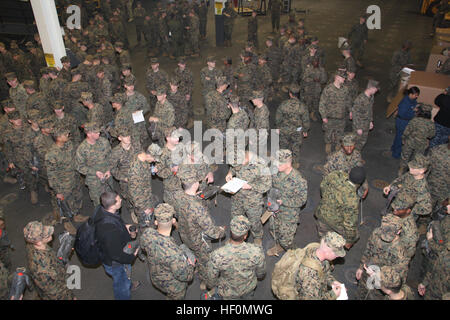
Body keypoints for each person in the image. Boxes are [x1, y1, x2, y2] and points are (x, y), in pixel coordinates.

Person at [173, 165, 226, 291]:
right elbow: (212, 232)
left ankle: (195, 265)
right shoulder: (198, 209)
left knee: (192, 251)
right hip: (199, 241)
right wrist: (221, 231)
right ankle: (207, 283)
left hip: (184, 234)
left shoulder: (177, 196)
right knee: (205, 262)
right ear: (196, 183)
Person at [140, 203, 195, 300]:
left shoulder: (147, 233)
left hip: (155, 276)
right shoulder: (174, 253)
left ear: (156, 222)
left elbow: (143, 247)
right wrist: (190, 265)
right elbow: (186, 276)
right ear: (173, 221)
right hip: (173, 286)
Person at [95, 192, 140, 300]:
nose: (121, 200)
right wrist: (132, 257)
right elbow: (116, 255)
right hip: (116, 263)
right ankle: (124, 291)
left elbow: (115, 223)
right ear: (112, 205)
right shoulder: (109, 231)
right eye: (119, 200)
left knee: (125, 279)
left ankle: (128, 284)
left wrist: (124, 227)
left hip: (117, 247)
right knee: (121, 285)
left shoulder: (103, 211)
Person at [207, 215, 266, 299]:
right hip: (248, 288)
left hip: (228, 291)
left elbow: (211, 278)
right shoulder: (256, 251)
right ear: (245, 235)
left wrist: (214, 286)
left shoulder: (217, 255)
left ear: (231, 232)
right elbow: (261, 273)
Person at [355, 214, 409, 300]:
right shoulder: (377, 233)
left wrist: (378, 279)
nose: (384, 238)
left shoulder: (400, 255)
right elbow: (368, 250)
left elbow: (397, 282)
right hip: (367, 275)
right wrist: (361, 267)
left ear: (398, 231)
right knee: (360, 295)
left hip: (381, 288)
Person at [226, 151, 272, 246]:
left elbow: (267, 185)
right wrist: (230, 173)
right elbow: (234, 168)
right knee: (235, 218)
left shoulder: (261, 165)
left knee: (254, 221)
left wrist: (251, 186)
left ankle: (257, 237)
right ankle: (237, 238)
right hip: (237, 195)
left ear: (246, 158)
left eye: (239, 165)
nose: (238, 167)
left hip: (253, 200)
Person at [267, 150, 308, 257]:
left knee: (286, 240)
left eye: (279, 164)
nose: (276, 165)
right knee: (273, 229)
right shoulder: (276, 172)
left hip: (289, 214)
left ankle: (295, 255)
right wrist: (272, 205)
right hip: (275, 209)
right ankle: (280, 246)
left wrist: (284, 201)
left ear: (288, 163)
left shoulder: (299, 180)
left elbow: (302, 200)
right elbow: (272, 188)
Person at [315, 167, 366, 250]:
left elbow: (322, 186)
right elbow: (349, 224)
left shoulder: (335, 175)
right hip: (335, 222)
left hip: (322, 213)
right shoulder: (352, 199)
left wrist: (327, 200)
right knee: (356, 235)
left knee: (322, 239)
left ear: (349, 173)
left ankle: (321, 249)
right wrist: (349, 240)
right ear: (361, 182)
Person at [24, 221, 76, 300]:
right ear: (38, 242)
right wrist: (70, 297)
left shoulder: (34, 245)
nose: (50, 233)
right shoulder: (43, 268)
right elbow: (55, 293)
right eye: (46, 235)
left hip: (57, 275)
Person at [295, 232, 346, 300]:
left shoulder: (317, 250)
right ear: (327, 252)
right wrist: (333, 294)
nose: (337, 256)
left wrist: (332, 282)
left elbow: (324, 272)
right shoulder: (310, 276)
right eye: (336, 253)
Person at [75, 121, 113, 207]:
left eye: (99, 131)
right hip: (94, 182)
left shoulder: (104, 142)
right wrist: (94, 172)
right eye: (96, 132)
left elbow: (111, 157)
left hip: (108, 178)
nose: (99, 133)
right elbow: (79, 166)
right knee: (99, 203)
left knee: (111, 201)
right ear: (89, 134)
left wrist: (109, 169)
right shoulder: (82, 149)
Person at [275, 84, 310, 168]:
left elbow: (278, 118)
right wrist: (305, 130)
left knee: (283, 146)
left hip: (284, 129)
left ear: (290, 94)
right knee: (296, 147)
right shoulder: (302, 106)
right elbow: (306, 120)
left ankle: (282, 162)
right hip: (297, 130)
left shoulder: (284, 104)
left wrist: (278, 127)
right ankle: (295, 163)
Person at [319, 69, 351, 154]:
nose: (344, 79)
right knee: (328, 132)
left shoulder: (345, 89)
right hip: (330, 117)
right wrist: (323, 116)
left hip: (342, 117)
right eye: (343, 78)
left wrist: (351, 111)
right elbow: (322, 103)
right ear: (337, 77)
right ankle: (328, 144)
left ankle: (338, 144)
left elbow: (348, 101)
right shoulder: (328, 89)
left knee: (340, 133)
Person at [399, 103, 435, 175]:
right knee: (416, 158)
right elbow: (431, 135)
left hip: (410, 142)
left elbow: (407, 131)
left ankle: (401, 170)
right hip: (422, 144)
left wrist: (403, 138)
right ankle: (412, 172)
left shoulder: (415, 120)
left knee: (405, 156)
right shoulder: (431, 124)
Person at [391, 86, 420, 159]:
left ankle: (394, 148)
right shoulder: (405, 102)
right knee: (401, 138)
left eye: (417, 95)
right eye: (416, 95)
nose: (417, 96)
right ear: (411, 94)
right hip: (402, 122)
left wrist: (415, 108)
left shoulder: (412, 100)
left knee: (398, 136)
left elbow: (414, 104)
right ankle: (396, 154)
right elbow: (402, 114)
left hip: (406, 121)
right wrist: (413, 112)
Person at [351, 80, 379, 151]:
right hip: (359, 125)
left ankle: (357, 155)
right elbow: (355, 113)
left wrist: (371, 121)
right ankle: (351, 158)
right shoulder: (360, 99)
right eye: (376, 89)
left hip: (366, 124)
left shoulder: (371, 97)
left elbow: (370, 110)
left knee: (362, 142)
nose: (376, 91)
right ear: (371, 88)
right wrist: (358, 127)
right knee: (356, 142)